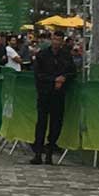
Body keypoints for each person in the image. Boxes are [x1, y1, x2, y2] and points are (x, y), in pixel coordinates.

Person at [28, 31, 75, 165]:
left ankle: (50, 151)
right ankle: (38, 153)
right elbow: (38, 74)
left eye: (59, 40)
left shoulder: (66, 56)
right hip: (45, 93)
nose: (56, 42)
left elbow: (72, 72)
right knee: (41, 122)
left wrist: (63, 78)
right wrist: (53, 80)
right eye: (55, 39)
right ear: (51, 40)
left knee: (56, 123)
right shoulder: (42, 55)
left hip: (59, 95)